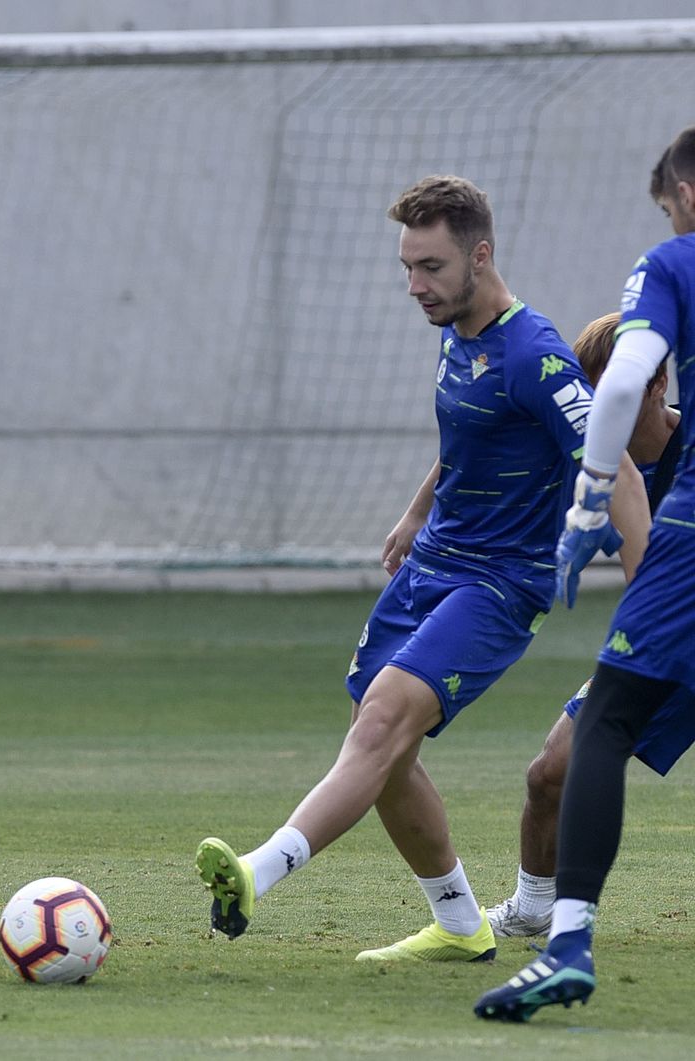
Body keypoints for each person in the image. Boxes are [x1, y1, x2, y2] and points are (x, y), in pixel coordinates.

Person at [195, 175, 641, 963]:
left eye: (430, 267)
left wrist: (648, 586)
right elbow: (468, 437)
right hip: (432, 563)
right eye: (407, 267)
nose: (415, 286)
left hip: (498, 585)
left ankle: (258, 873)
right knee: (387, 748)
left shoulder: (536, 356)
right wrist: (413, 511)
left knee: (380, 723)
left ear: (481, 254)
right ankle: (462, 924)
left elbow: (616, 465)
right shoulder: (456, 333)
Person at [475, 127, 695, 1020]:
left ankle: (566, 944)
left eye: (672, 205)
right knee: (562, 756)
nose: (673, 220)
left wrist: (586, 504)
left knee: (604, 721)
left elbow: (620, 381)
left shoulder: (675, 264)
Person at [484, 313, 686, 940]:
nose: (596, 418)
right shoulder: (587, 450)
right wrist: (415, 518)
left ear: (655, 386)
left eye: (612, 398)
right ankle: (532, 908)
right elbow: (478, 444)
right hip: (656, 647)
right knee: (550, 773)